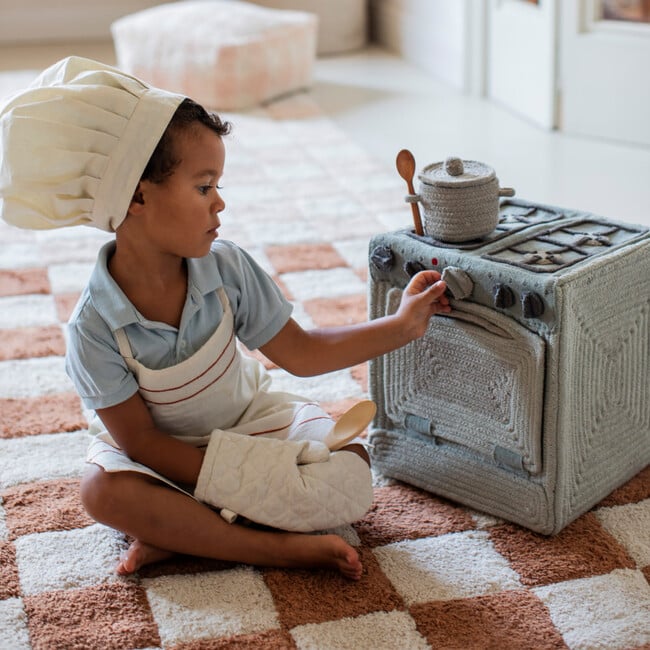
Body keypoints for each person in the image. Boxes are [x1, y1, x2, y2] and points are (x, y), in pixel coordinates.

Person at [0, 57, 451, 581]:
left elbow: (302, 355)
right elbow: (141, 444)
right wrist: (239, 479)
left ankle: (191, 534)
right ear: (137, 195)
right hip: (169, 461)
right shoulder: (93, 328)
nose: (220, 203)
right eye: (203, 186)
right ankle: (279, 548)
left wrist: (401, 325)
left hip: (253, 424)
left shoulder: (227, 267)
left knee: (352, 472)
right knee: (101, 492)